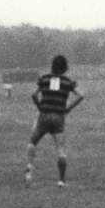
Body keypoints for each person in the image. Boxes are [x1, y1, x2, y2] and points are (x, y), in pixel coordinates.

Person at [26, 55, 83, 187]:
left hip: (44, 115)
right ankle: (61, 181)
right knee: (60, 149)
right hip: (58, 117)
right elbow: (81, 95)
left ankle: (29, 167)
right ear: (64, 67)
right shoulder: (67, 81)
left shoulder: (44, 79)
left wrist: (40, 106)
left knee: (33, 142)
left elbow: (34, 95)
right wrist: (68, 108)